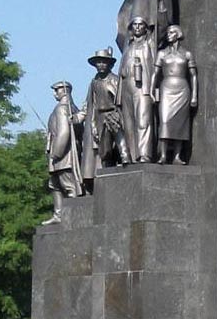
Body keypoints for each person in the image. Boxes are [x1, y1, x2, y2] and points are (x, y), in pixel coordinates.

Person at [80, 48, 130, 193]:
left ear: (110, 64)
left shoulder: (114, 80)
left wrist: (118, 115)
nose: (101, 65)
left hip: (113, 113)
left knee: (121, 142)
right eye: (98, 62)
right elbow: (93, 104)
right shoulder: (95, 82)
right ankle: (108, 169)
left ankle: (126, 161)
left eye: (104, 62)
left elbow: (120, 100)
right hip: (100, 116)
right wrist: (93, 123)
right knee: (105, 147)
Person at [150, 25, 197, 165]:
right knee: (165, 121)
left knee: (180, 124)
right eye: (168, 33)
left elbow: (193, 76)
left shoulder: (187, 54)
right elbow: (155, 73)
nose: (168, 35)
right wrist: (151, 90)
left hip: (182, 89)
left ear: (178, 34)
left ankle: (177, 156)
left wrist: (194, 95)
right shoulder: (162, 53)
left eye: (171, 33)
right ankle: (163, 155)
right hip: (166, 88)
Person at [42, 81, 83, 225]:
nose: (55, 93)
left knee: (69, 186)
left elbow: (64, 133)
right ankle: (58, 214)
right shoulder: (73, 108)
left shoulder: (62, 109)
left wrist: (56, 154)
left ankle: (76, 218)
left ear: (65, 91)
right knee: (54, 184)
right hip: (60, 155)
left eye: (57, 90)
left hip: (64, 156)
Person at [116, 16, 156, 163]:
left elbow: (162, 26)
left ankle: (144, 154)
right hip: (127, 86)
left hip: (143, 88)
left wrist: (160, 3)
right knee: (128, 123)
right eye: (134, 25)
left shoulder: (150, 43)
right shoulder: (128, 45)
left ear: (146, 28)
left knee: (143, 121)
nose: (137, 27)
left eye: (140, 25)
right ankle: (132, 156)